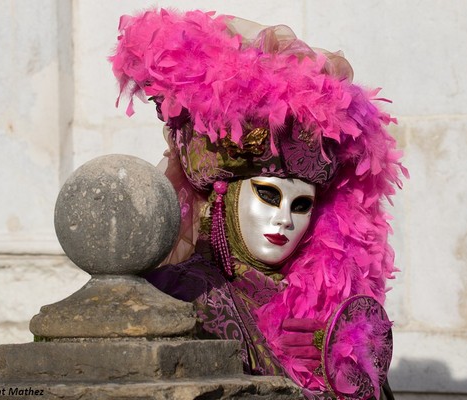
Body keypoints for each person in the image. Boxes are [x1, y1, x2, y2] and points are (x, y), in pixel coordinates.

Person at [111, 8, 406, 399]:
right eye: (268, 195)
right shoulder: (186, 295)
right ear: (224, 194)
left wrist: (348, 375)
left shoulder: (328, 303)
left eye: (301, 206)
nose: (284, 219)